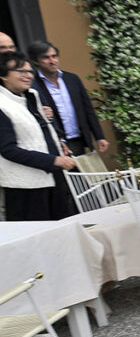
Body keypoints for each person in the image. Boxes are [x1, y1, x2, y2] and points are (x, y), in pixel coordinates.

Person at [0, 51, 75, 220]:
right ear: (3, 76)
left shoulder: (31, 96)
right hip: (25, 185)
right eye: (21, 72)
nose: (28, 76)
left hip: (52, 176)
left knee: (62, 224)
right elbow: (8, 149)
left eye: (30, 72)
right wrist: (52, 160)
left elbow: (41, 131)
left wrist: (58, 145)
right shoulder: (2, 104)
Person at [28, 41, 108, 156]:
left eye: (54, 56)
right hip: (58, 143)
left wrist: (99, 137)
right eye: (46, 58)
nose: (52, 61)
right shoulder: (33, 86)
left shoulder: (72, 79)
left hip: (80, 139)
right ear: (35, 61)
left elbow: (88, 109)